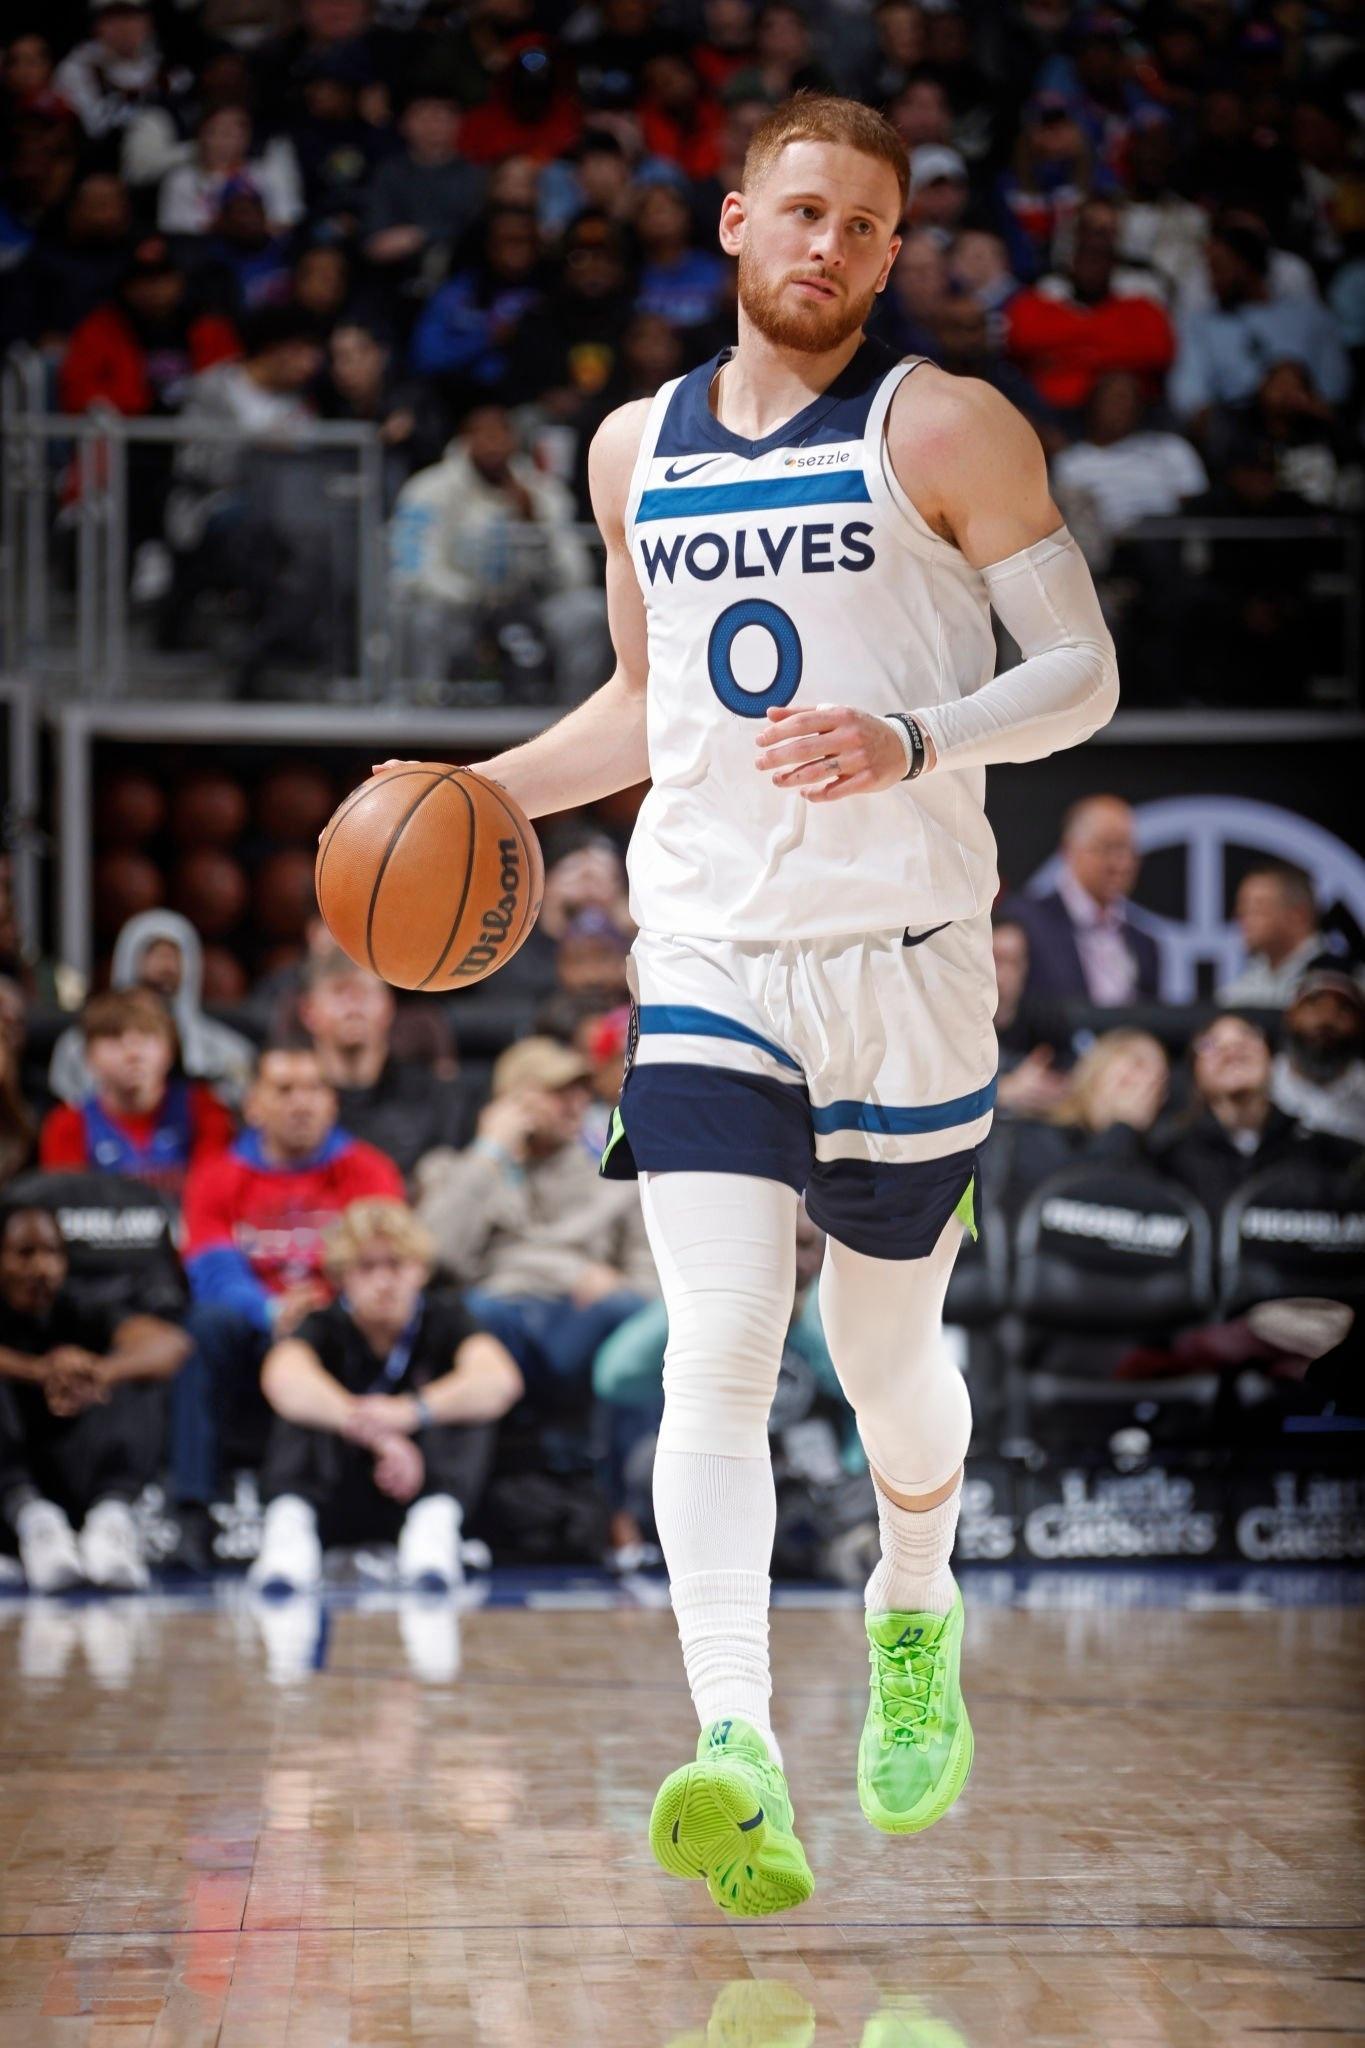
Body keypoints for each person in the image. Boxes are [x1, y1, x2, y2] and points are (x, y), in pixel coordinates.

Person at [381, 92, 1119, 1914]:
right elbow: (650, 715)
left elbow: (1086, 671)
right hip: (707, 956)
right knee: (717, 1336)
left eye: (868, 226)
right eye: (803, 211)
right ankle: (736, 1744)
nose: (832, 247)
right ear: (733, 221)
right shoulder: (636, 448)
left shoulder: (941, 421)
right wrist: (467, 795)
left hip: (911, 966)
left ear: (892, 250)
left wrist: (915, 736)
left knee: (885, 1368)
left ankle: (916, 1601)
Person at [250, 1199, 522, 1593]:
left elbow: (499, 1380)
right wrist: (374, 1431)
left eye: (395, 1265)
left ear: (420, 1270)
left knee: (467, 1403)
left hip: (419, 1488)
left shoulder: (445, 1316)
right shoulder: (324, 1322)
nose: (383, 1281)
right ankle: (288, 1533)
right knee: (303, 1405)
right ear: (343, 1276)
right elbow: (282, 1378)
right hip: (338, 1488)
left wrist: (411, 1411)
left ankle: (434, 1532)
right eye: (366, 1267)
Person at [177, 1041, 403, 1510]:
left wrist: (325, 1305)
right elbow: (211, 1266)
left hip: (339, 1320)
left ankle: (338, 1507)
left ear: (333, 1103)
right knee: (204, 1326)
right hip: (257, 1318)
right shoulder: (216, 1176)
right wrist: (270, 1309)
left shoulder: (370, 1170)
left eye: (315, 1089)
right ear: (253, 1106)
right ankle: (191, 1508)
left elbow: (384, 1259)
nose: (302, 1102)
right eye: (284, 1090)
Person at [414, 1035, 657, 1403]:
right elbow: (432, 1257)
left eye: (581, 1092)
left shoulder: (614, 1178)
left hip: (586, 1321)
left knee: (630, 1316)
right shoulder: (454, 1172)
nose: (575, 1105)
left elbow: (650, 1292)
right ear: (510, 1101)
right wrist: (490, 1151)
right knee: (471, 1314)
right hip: (500, 1319)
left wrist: (617, 1288)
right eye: (557, 1093)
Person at [0, 1201, 190, 1591]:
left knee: (140, 1374)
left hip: (71, 1476)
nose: (42, 1268)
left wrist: (100, 1372)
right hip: (10, 1489)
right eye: (24, 1253)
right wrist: (38, 1371)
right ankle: (33, 1523)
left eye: (53, 1253)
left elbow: (172, 1344)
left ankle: (110, 1523)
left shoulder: (78, 1304)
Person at [39, 988, 234, 1207]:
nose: (133, 1053)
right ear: (89, 1056)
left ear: (170, 1050)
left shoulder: (204, 1109)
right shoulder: (67, 1124)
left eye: (147, 1036)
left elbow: (216, 1195)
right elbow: (67, 1207)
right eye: (114, 1038)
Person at [1153, 1012, 1354, 1222]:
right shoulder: (1167, 1157)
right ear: (1195, 1073)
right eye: (1211, 1044)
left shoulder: (1317, 1151)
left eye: (1248, 1037)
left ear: (1272, 1060)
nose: (1232, 1049)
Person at [49, 909, 256, 1109]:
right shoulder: (77, 1048)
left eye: (173, 955)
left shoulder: (227, 1051)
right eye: (153, 953)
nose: (165, 967)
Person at [297, 950, 473, 1176]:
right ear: (308, 1012)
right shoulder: (291, 1103)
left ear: (389, 1006)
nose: (353, 1005)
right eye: (340, 992)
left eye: (364, 993)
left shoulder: (435, 1097)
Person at [1005, 795, 1159, 1006]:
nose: (1121, 864)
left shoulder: (1144, 944)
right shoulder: (1026, 924)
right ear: (1069, 849)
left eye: (1128, 850)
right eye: (1107, 848)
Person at [1218, 863, 1337, 1009]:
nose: (1240, 917)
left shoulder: (1344, 979)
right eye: (1241, 908)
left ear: (1298, 915)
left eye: (1256, 908)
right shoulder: (1243, 986)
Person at [1271, 971, 1365, 1146]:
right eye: (1314, 1005)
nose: (1327, 1020)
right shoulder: (1262, 1083)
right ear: (1290, 1016)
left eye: (1343, 1010)